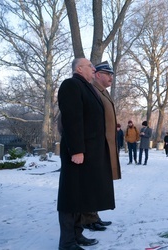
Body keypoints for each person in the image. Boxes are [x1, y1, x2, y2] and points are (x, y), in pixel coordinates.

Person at [57, 58, 115, 250]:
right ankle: (67, 242)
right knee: (71, 196)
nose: (93, 68)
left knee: (81, 196)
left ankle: (77, 234)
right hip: (77, 153)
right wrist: (77, 150)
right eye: (90, 66)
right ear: (79, 69)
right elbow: (72, 120)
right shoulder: (71, 85)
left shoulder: (86, 87)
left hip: (89, 154)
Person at [80, 61, 122, 232]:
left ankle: (94, 215)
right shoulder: (92, 91)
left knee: (98, 182)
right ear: (97, 75)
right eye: (108, 74)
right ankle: (87, 218)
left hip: (105, 146)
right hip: (96, 147)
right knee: (91, 182)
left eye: (111, 74)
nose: (111, 77)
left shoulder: (102, 92)